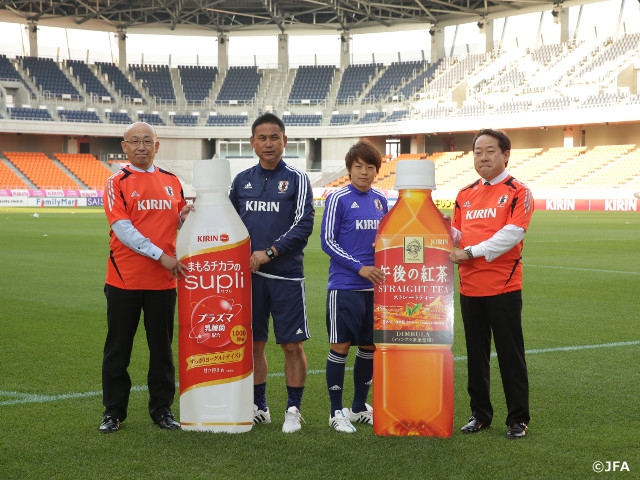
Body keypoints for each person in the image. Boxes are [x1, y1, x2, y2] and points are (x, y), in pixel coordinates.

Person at [100, 121, 193, 433]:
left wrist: (185, 218)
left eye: (147, 141)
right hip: (124, 279)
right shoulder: (116, 182)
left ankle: (162, 409)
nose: (141, 146)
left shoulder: (172, 181)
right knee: (118, 350)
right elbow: (123, 229)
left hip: (163, 281)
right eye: (135, 141)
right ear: (124, 147)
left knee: (162, 351)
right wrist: (161, 256)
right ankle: (113, 412)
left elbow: (176, 222)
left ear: (157, 145)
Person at [229, 113, 315, 433]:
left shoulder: (297, 179)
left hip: (286, 277)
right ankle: (260, 407)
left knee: (292, 346)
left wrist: (269, 253)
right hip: (249, 279)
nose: (268, 144)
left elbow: (303, 225)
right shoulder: (241, 181)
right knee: (254, 344)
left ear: (285, 141)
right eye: (262, 138)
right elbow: (228, 222)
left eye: (274, 137)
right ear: (252, 143)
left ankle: (293, 409)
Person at [449, 128, 534, 439]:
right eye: (477, 152)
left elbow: (512, 234)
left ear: (505, 155)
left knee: (511, 355)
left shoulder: (518, 191)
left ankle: (518, 419)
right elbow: (455, 235)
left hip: (503, 287)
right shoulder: (464, 194)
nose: (482, 157)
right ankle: (480, 414)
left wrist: (471, 252)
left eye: (489, 151)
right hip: (469, 287)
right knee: (476, 355)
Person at [320, 140, 388, 433]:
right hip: (344, 286)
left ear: (376, 171)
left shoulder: (381, 200)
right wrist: (359, 267)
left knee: (369, 346)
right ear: (349, 169)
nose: (364, 172)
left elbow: (389, 237)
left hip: (375, 289)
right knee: (340, 346)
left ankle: (359, 407)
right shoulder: (338, 198)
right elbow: (327, 241)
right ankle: (336, 412)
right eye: (358, 166)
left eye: (370, 167)